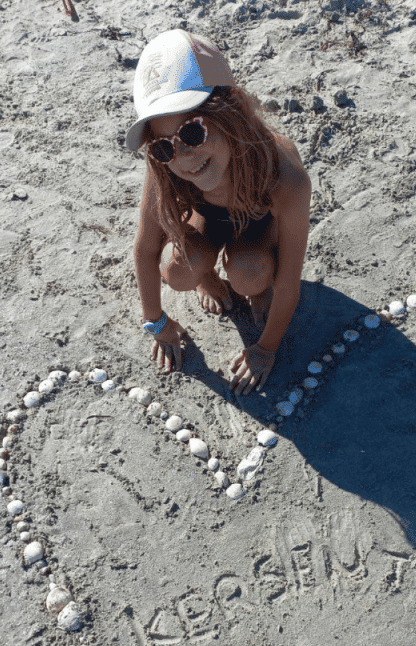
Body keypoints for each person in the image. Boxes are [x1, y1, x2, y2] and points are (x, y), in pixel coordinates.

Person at [126, 29, 311, 395]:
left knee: (250, 275)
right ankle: (209, 276)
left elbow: (290, 281)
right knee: (179, 273)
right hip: (209, 220)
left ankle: (256, 288)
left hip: (260, 229)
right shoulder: (164, 166)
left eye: (193, 132)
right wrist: (155, 322)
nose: (183, 157)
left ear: (234, 109)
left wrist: (266, 348)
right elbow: (147, 249)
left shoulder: (282, 175)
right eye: (164, 147)